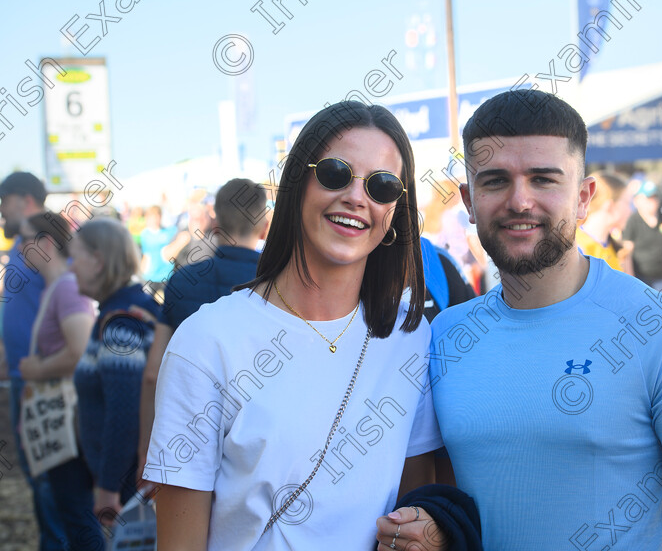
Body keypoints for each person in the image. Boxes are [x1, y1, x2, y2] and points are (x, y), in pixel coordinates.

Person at [430, 89, 662, 549]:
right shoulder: (445, 336)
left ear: (584, 198)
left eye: (544, 179)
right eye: (495, 181)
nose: (520, 201)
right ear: (468, 199)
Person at [144, 101, 445, 551]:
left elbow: (412, 510)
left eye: (383, 186)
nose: (357, 198)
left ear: (395, 215)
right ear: (297, 185)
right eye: (335, 173)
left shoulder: (411, 338)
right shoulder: (208, 342)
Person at [137, 178, 269, 478]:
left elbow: (153, 374)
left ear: (215, 223)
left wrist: (146, 448)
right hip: (257, 447)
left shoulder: (183, 281)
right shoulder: (280, 284)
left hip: (186, 438)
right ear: (264, 228)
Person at [71, 218, 162, 534]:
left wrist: (109, 486)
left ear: (97, 260)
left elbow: (124, 413)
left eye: (75, 257)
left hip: (128, 489)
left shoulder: (122, 322)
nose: (71, 268)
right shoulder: (124, 309)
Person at [17, 212, 101, 550]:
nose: (19, 247)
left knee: (74, 514)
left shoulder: (66, 287)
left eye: (24, 238)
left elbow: (79, 351)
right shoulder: (60, 286)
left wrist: (36, 370)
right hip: (58, 422)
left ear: (46, 242)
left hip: (66, 423)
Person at [0, 171, 68, 550]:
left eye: (3, 202)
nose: (0, 212)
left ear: (24, 200)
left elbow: (69, 299)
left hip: (45, 380)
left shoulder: (47, 242)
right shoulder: (21, 246)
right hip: (22, 377)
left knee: (49, 477)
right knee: (34, 473)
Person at [623, 181, 662, 290]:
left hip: (661, 276)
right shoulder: (633, 221)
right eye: (648, 198)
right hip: (639, 277)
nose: (652, 202)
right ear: (638, 201)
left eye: (654, 198)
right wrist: (630, 278)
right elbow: (627, 251)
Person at [575, 171, 633, 272]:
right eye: (627, 203)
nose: (630, 210)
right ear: (609, 206)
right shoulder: (576, 248)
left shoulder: (617, 247)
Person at [139, 205, 177, 294]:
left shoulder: (170, 232)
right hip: (149, 276)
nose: (155, 220)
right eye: (152, 217)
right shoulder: (144, 234)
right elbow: (145, 255)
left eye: (157, 216)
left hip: (167, 275)